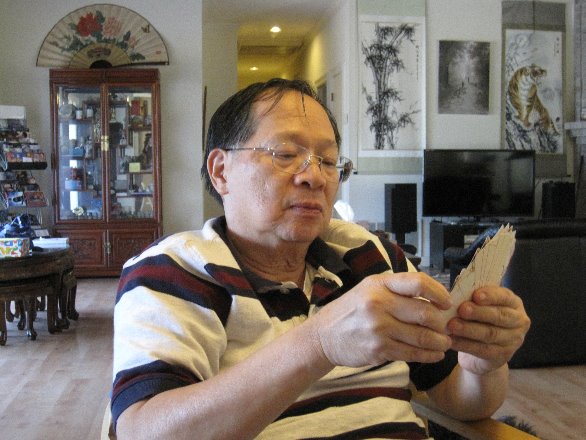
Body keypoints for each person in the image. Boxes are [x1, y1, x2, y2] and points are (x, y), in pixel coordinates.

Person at [111, 78, 530, 439]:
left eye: (329, 161)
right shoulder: (174, 272)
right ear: (221, 171)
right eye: (285, 154)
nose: (315, 176)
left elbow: (462, 403)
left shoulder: (371, 257)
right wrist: (319, 343)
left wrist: (483, 364)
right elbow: (142, 430)